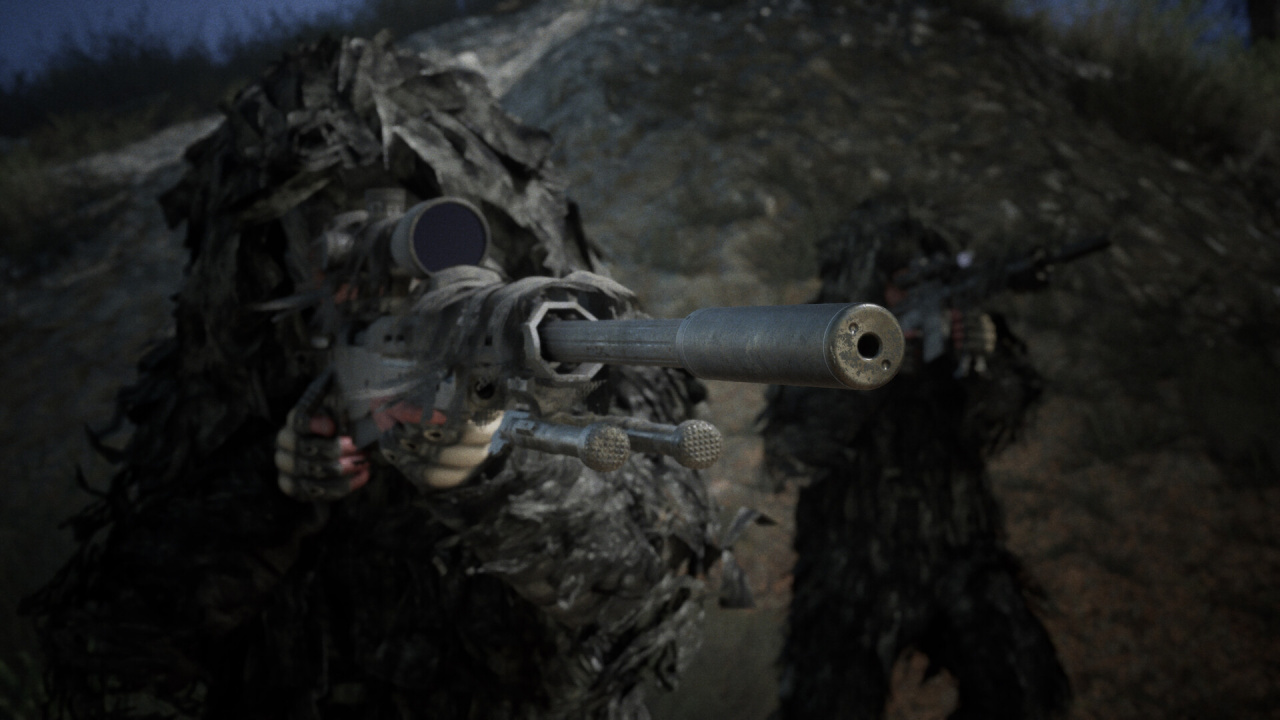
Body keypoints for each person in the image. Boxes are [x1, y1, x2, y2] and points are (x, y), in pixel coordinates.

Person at [25, 34, 719, 720]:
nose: (374, 265)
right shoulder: (221, 382)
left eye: (411, 201)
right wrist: (276, 490)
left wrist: (499, 475)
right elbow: (111, 643)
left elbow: (658, 588)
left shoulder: (573, 336)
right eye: (319, 220)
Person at [760, 196, 1071, 720]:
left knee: (1025, 689)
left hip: (957, 551)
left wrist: (981, 358)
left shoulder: (961, 330)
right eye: (902, 283)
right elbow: (796, 448)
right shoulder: (816, 334)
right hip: (849, 563)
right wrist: (875, 362)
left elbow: (1004, 413)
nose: (915, 296)